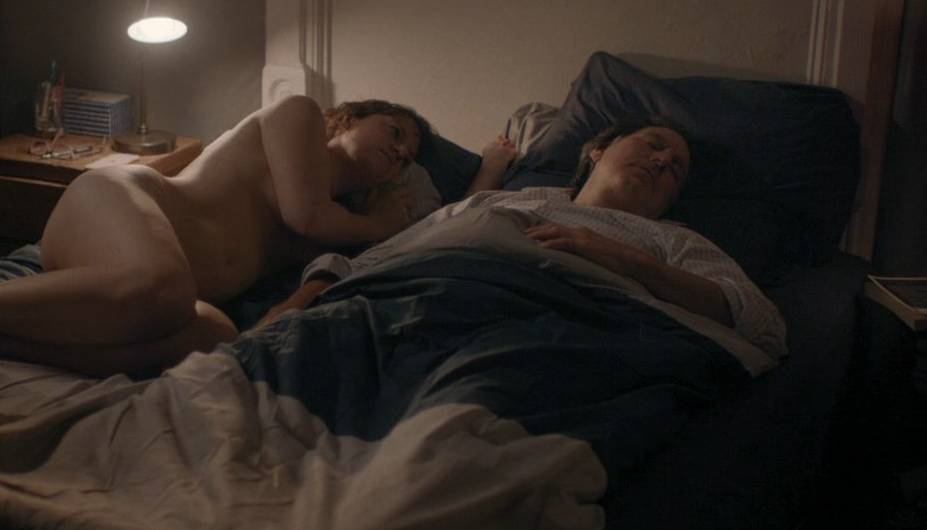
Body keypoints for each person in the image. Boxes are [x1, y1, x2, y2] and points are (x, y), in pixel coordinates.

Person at [0, 95, 430, 376]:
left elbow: (311, 283)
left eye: (408, 155)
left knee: (217, 335)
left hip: (145, 296)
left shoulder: (341, 226)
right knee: (166, 285)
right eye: (395, 130)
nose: (401, 150)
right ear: (351, 117)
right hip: (120, 205)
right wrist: (379, 223)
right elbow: (304, 215)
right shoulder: (298, 115)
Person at [256, 117, 787, 359]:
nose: (662, 161)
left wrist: (622, 258)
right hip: (416, 302)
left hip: (537, 334)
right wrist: (300, 299)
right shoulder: (502, 202)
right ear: (599, 151)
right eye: (652, 144)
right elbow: (380, 257)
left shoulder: (673, 241)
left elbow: (763, 326)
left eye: (675, 170)